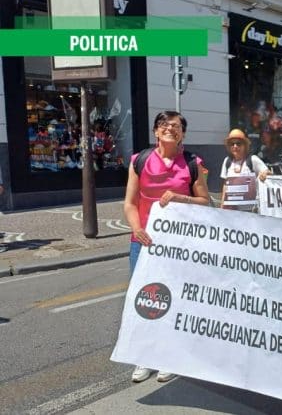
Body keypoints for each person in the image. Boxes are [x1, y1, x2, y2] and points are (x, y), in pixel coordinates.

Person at [123, 111, 210, 384]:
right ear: (155, 131)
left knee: (173, 298)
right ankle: (144, 356)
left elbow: (205, 201)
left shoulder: (192, 163)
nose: (169, 128)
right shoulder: (139, 161)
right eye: (164, 124)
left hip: (179, 244)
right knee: (144, 299)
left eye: (176, 126)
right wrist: (136, 228)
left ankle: (168, 356)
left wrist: (182, 198)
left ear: (183, 133)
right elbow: (130, 203)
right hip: (144, 242)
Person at [219, 128, 270, 211]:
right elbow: (225, 185)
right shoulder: (227, 161)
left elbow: (268, 172)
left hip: (253, 210)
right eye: (232, 144)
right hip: (233, 210)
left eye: (238, 143)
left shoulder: (253, 159)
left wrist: (265, 174)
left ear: (245, 145)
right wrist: (222, 206)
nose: (235, 146)